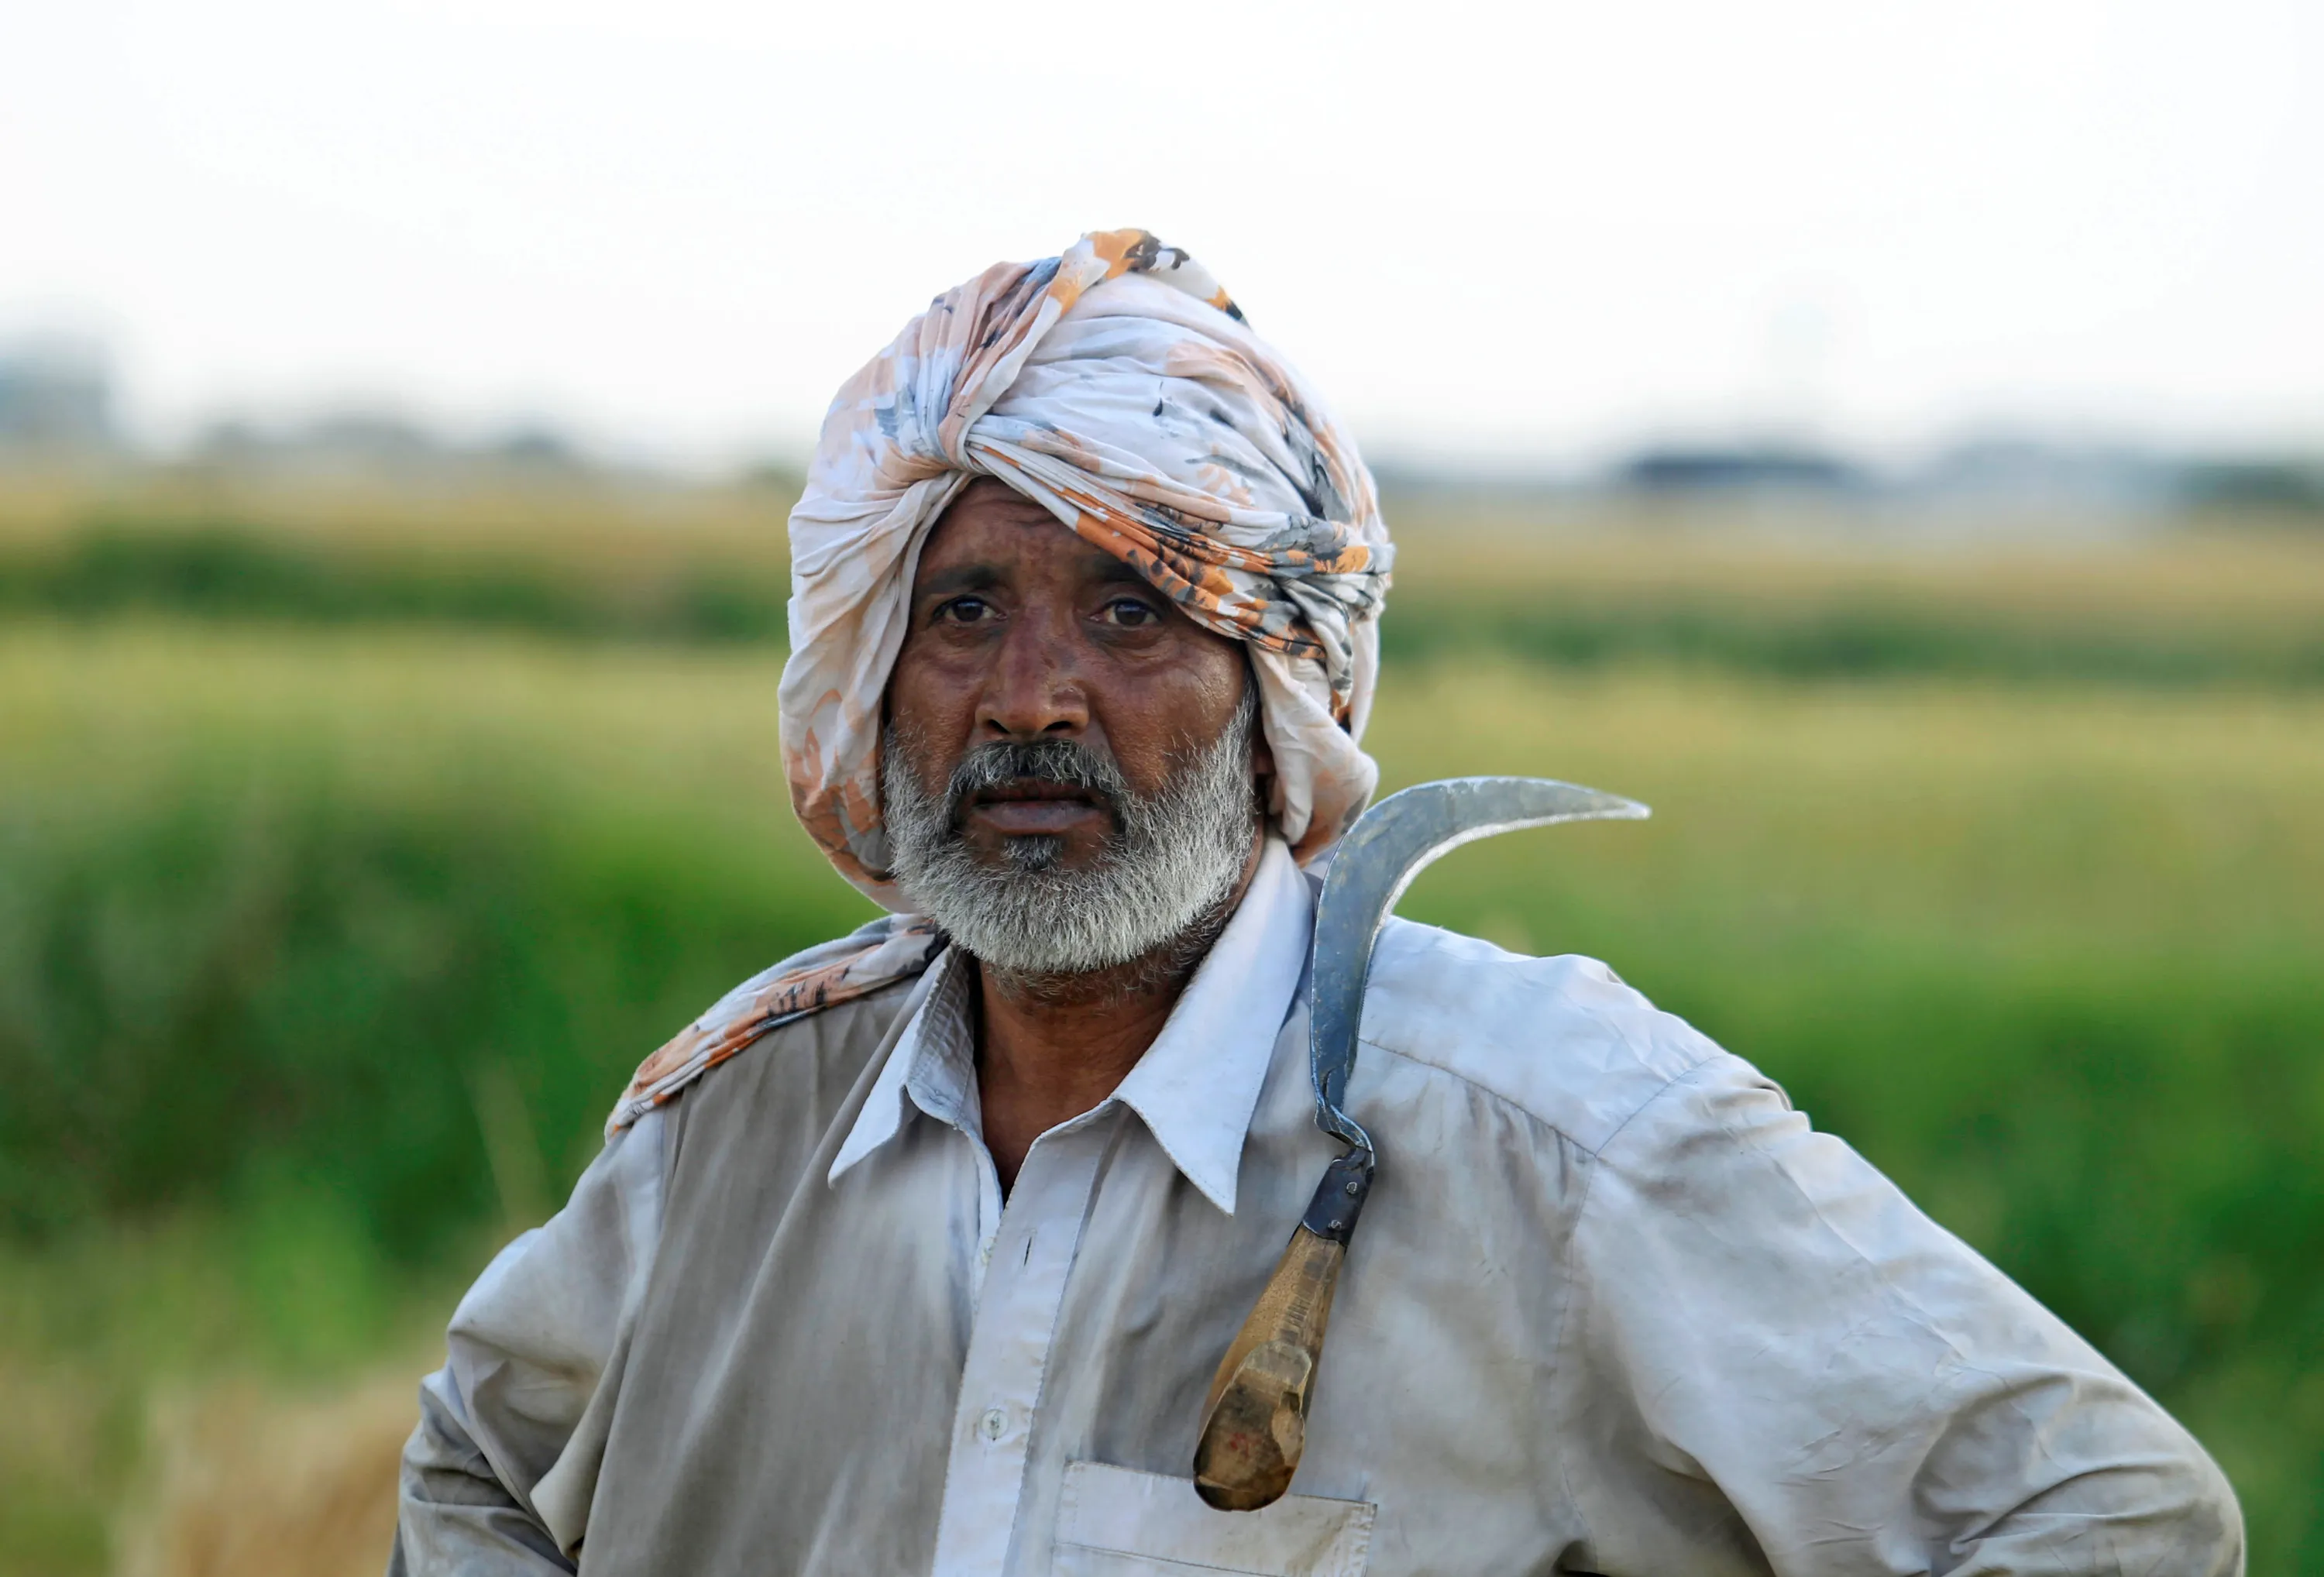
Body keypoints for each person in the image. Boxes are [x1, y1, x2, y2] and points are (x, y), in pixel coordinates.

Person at [391, 231, 2242, 1575]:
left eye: (1129, 611)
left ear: (1275, 693)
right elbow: (478, 1463)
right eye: (964, 610)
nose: (1032, 696)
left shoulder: (1552, 1130)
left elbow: (2104, 1519)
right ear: (873, 679)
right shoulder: (737, 1131)